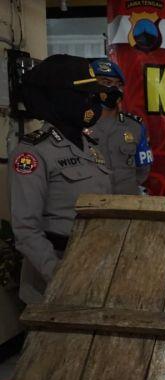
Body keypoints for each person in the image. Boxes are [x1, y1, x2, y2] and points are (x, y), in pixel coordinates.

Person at [9, 54, 112, 304]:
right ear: (60, 97)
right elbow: (26, 230)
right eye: (84, 96)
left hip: (94, 268)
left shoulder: (92, 147)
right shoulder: (32, 153)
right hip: (52, 279)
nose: (93, 103)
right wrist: (60, 277)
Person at [89, 58, 153, 195]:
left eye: (119, 84)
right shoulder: (78, 126)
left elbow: (143, 170)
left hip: (127, 201)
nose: (114, 89)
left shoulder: (135, 126)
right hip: (91, 203)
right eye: (107, 83)